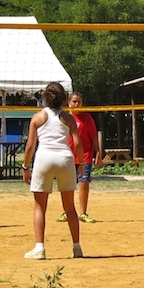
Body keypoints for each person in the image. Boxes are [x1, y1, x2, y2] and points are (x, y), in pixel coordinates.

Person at [22, 82, 85, 260]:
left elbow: (29, 147)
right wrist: (80, 163)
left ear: (45, 97)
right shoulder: (68, 118)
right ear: (63, 99)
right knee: (70, 207)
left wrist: (25, 167)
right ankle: (76, 247)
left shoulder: (37, 117)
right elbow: (78, 143)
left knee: (40, 206)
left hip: (44, 159)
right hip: (65, 158)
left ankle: (40, 248)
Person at [57, 91, 103, 223]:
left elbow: (94, 137)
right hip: (67, 155)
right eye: (74, 102)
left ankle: (82, 213)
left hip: (85, 155)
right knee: (67, 186)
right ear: (68, 103)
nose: (77, 104)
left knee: (84, 183)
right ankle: (67, 211)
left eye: (79, 102)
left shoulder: (87, 118)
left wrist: (98, 153)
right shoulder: (63, 117)